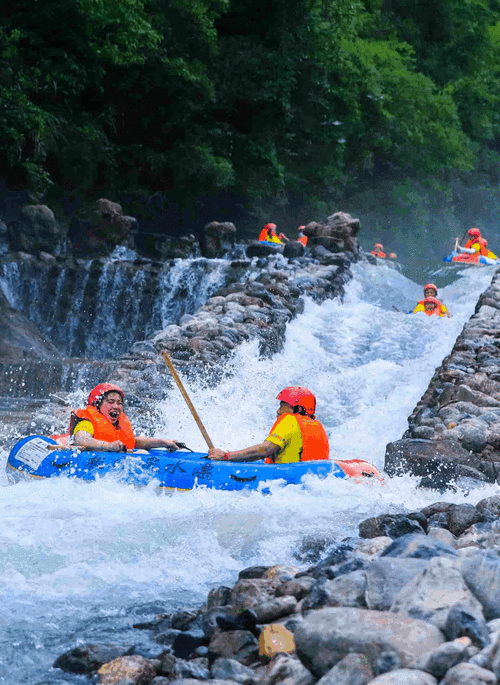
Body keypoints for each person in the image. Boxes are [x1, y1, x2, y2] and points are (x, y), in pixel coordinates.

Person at [208, 386, 329, 463]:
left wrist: (226, 456)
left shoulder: (290, 421)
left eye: (282, 406)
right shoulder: (316, 425)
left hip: (284, 478)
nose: (278, 411)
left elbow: (265, 449)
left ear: (297, 408)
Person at [54, 383, 181, 452]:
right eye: (110, 402)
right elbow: (81, 439)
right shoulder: (87, 422)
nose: (116, 406)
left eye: (119, 403)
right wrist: (107, 446)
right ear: (98, 405)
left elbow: (132, 442)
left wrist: (164, 442)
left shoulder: (119, 423)